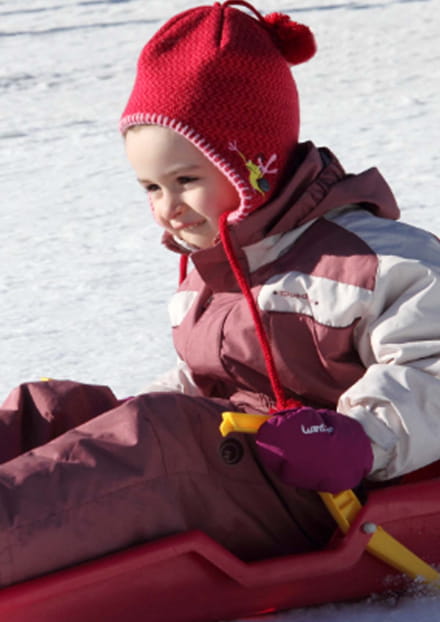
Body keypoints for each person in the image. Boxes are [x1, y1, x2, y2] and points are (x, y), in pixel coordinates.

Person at [0, 0, 439, 588]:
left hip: (330, 489)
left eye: (186, 181)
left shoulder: (378, 260)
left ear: (250, 165)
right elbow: (200, 384)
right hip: (242, 462)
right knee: (49, 409)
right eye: (151, 187)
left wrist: (363, 438)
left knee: (158, 440)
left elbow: (432, 367)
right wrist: (114, 419)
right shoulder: (211, 266)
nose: (168, 208)